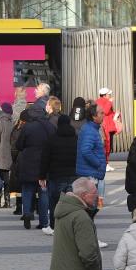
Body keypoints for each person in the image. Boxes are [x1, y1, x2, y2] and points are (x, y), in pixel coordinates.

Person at [15, 106, 53, 231]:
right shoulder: (50, 126)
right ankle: (43, 222)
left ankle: (27, 213)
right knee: (43, 192)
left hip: (28, 163)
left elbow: (19, 145)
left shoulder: (28, 127)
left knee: (27, 190)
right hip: (45, 164)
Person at [76, 103, 108, 246]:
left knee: (90, 209)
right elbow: (85, 151)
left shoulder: (92, 128)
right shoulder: (90, 130)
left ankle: (88, 238)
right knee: (91, 208)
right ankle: (90, 239)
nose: (103, 115)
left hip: (90, 173)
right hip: (90, 174)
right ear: (93, 116)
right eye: (101, 113)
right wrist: (99, 164)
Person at [45, 114, 78, 233]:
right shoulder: (76, 138)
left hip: (56, 175)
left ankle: (54, 226)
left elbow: (45, 158)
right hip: (73, 175)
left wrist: (42, 175)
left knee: (55, 201)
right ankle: (71, 225)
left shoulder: (52, 139)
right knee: (72, 201)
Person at [96, 87, 119, 171]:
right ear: (105, 95)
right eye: (109, 94)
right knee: (106, 145)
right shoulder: (101, 101)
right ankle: (105, 164)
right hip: (106, 127)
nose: (110, 95)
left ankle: (106, 163)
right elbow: (105, 111)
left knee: (107, 145)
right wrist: (110, 102)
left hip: (108, 126)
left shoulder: (102, 101)